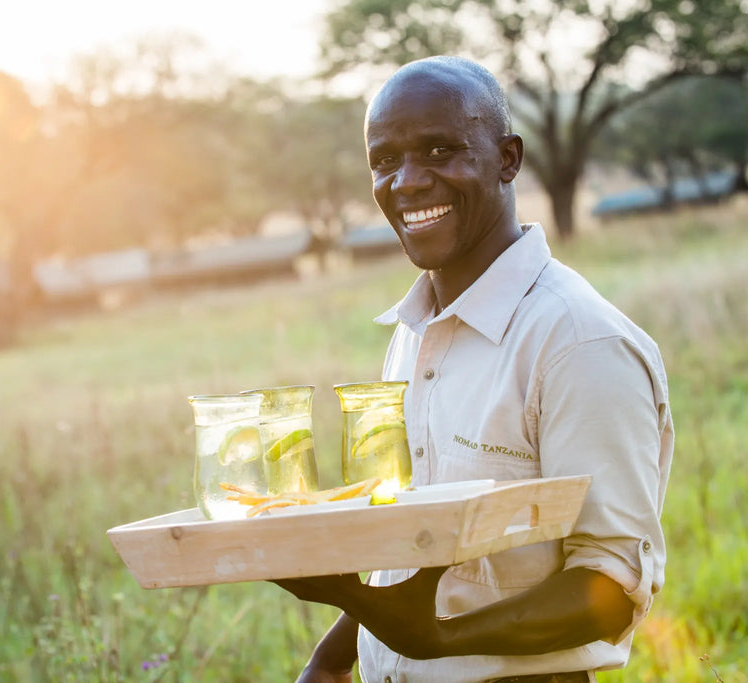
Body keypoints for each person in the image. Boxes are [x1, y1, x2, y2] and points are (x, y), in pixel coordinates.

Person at [273, 56, 674, 683]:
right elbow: (419, 552)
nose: (407, 182)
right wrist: (330, 660)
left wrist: (438, 641)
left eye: (439, 150)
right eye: (385, 160)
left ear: (507, 159)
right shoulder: (416, 333)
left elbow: (612, 584)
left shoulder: (577, 341)